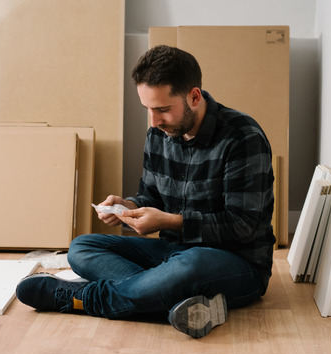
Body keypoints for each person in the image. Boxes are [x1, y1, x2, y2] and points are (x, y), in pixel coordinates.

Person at [16, 45, 275, 338]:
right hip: (172, 255)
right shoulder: (160, 133)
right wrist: (127, 206)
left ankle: (84, 298)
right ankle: (176, 304)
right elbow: (151, 197)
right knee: (82, 248)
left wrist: (169, 222)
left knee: (192, 263)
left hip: (234, 262)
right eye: (148, 109)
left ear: (194, 96)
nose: (153, 121)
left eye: (163, 109)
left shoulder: (242, 137)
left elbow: (242, 226)